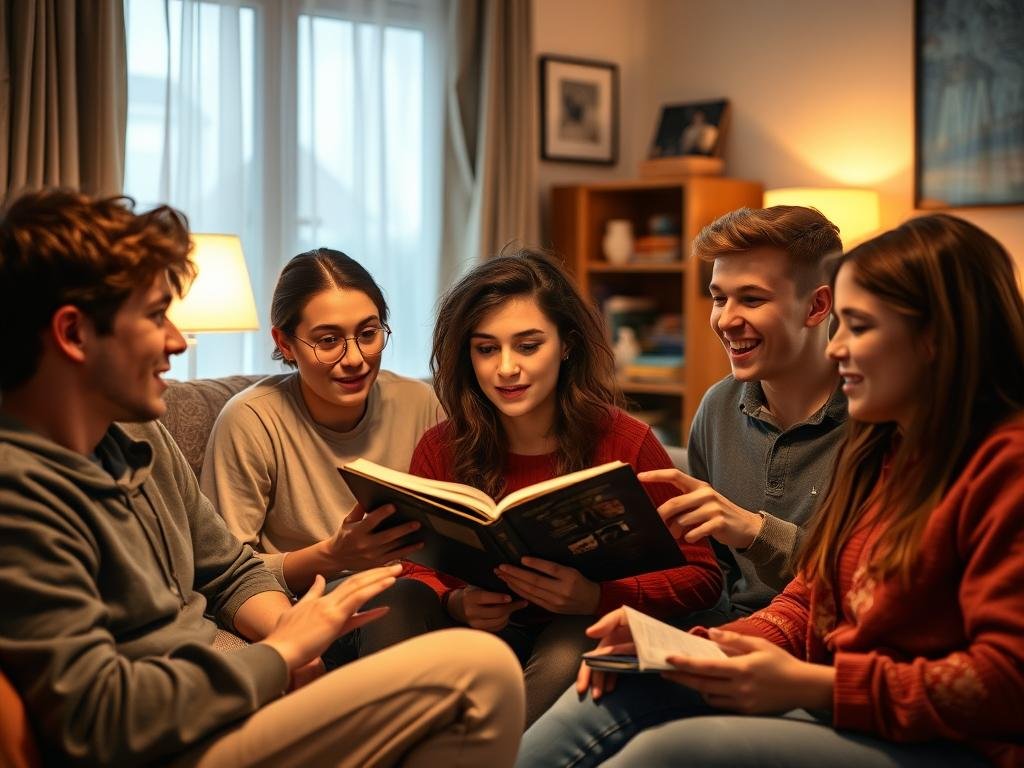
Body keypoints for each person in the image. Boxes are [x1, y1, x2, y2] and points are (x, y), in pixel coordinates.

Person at [0, 190, 524, 767]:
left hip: (229, 700)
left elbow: (229, 571)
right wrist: (277, 655)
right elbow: (99, 719)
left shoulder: (140, 433)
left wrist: (296, 639)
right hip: (174, 743)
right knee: (478, 673)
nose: (177, 340)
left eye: (369, 332)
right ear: (74, 334)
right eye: (154, 316)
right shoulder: (20, 493)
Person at [517, 213, 1024, 768]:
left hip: (941, 738)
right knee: (613, 690)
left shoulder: (1001, 464)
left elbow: (1005, 684)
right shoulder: (885, 447)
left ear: (934, 340)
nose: (837, 348)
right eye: (718, 297)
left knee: (671, 752)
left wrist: (809, 684)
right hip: (824, 689)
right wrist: (698, 646)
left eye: (859, 327)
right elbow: (810, 598)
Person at [402, 248, 723, 727]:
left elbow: (703, 576)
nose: (505, 368)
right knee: (396, 601)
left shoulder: (625, 441)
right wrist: (456, 602)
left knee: (574, 638)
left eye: (528, 346)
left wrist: (597, 596)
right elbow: (414, 566)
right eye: (486, 349)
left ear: (567, 345)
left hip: (581, 629)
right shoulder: (441, 446)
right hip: (483, 633)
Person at [201, 247, 445, 659]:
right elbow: (223, 571)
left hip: (422, 593)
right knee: (399, 598)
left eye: (368, 334)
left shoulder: (420, 402)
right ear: (285, 343)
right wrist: (332, 556)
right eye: (328, 341)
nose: (355, 359)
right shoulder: (252, 419)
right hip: (314, 604)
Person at [642, 205, 847, 626]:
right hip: (727, 637)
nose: (726, 320)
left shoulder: (879, 418)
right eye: (719, 298)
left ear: (817, 306)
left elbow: (867, 585)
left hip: (826, 643)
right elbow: (713, 580)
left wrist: (756, 532)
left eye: (752, 299)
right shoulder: (717, 407)